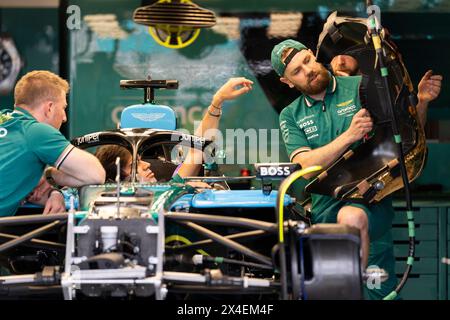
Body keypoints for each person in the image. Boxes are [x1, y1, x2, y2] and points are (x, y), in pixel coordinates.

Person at [271, 39, 416, 300]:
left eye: (307, 61)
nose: (308, 70)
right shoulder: (290, 115)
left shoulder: (360, 85)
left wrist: (422, 102)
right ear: (287, 82)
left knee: (352, 220)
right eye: (297, 71)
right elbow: (306, 165)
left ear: (312, 54)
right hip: (324, 221)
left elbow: (406, 135)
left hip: (369, 206)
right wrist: (350, 135)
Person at [94, 77, 254, 185]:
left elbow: (197, 149)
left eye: (140, 160)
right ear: (114, 179)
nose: (147, 165)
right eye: (134, 164)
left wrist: (217, 101)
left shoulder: (170, 190)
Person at [0, 70, 106, 217]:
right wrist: (50, 175)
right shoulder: (36, 132)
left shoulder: (6, 121)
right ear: (49, 108)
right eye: (63, 108)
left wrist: (54, 192)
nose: (64, 118)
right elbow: (96, 174)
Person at [330, 54, 442, 127]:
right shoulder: (325, 101)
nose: (340, 61)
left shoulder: (382, 87)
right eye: (334, 57)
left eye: (344, 55)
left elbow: (413, 130)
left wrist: (422, 101)